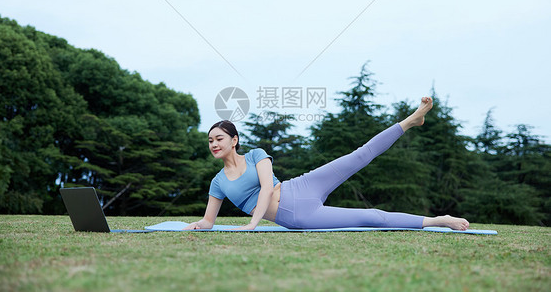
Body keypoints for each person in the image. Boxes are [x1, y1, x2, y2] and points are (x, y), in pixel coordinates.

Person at [183, 97, 470, 231]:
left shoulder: (257, 154)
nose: (213, 144)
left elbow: (267, 190)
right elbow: (209, 221)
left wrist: (252, 225)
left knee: (359, 155)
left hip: (300, 186)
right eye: (210, 141)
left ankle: (410, 120)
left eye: (219, 138)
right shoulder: (218, 183)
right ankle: (438, 220)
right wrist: (195, 225)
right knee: (371, 217)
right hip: (297, 214)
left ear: (234, 140)